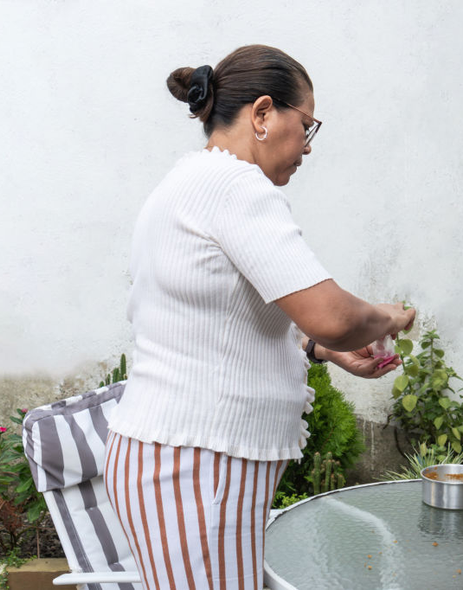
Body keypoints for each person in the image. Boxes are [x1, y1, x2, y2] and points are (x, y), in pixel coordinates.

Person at [103, 45, 415, 590]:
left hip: (179, 458)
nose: (308, 147)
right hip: (199, 465)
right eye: (307, 125)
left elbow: (215, 323)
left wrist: (319, 349)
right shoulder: (237, 187)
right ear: (264, 113)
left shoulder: (189, 181)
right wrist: (387, 317)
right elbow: (333, 315)